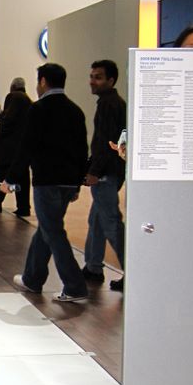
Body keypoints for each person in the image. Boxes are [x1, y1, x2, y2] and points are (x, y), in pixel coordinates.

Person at [1, 62, 89, 303]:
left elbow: (26, 146)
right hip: (68, 182)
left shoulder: (38, 109)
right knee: (47, 228)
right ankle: (32, 278)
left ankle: (74, 286)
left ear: (42, 82)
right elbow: (82, 149)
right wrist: (78, 182)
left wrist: (10, 178)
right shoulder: (75, 110)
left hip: (47, 181)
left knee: (53, 231)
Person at [82, 59, 127, 293]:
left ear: (111, 80)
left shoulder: (109, 105)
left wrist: (94, 171)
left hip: (107, 173)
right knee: (97, 220)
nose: (92, 81)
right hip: (110, 171)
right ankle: (93, 266)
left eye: (98, 77)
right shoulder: (112, 102)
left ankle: (134, 273)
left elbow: (105, 142)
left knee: (111, 223)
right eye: (92, 76)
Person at [0, 76, 32, 215]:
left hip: (8, 148)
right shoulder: (28, 100)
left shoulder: (13, 96)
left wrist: (0, 136)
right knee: (21, 178)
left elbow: (8, 120)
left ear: (13, 87)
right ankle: (24, 207)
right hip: (22, 147)